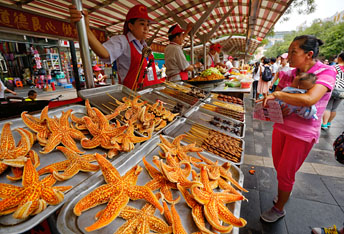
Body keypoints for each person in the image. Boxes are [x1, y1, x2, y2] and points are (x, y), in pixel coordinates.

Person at [258, 35, 336, 223]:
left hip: (302, 134)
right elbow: (284, 99)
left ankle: (279, 208)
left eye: (294, 52)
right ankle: (284, 192)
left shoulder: (326, 72)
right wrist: (273, 106)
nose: (289, 56)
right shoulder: (289, 73)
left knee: (286, 172)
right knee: (279, 166)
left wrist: (278, 94)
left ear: (309, 54)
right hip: (281, 127)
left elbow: (310, 99)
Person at [69, 4, 160, 89]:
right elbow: (104, 53)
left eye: (148, 25)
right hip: (132, 97)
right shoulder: (123, 41)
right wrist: (86, 29)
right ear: (130, 26)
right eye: (142, 24)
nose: (146, 28)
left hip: (150, 94)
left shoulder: (145, 46)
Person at [321, 52, 344, 129]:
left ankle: (324, 124)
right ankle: (329, 122)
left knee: (328, 107)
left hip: (333, 89)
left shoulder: (334, 67)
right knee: (334, 108)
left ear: (340, 58)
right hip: (342, 91)